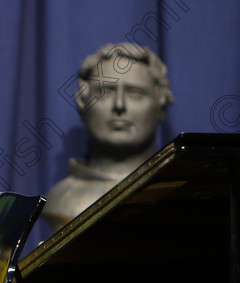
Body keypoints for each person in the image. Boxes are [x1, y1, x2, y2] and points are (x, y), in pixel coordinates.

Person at [42, 43, 174, 233]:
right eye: (105, 92)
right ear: (82, 103)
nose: (119, 105)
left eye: (135, 94)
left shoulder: (177, 194)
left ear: (160, 104)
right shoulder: (61, 199)